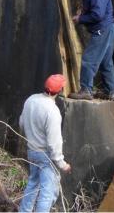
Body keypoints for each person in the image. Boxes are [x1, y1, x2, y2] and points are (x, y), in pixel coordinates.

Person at [19, 74, 72, 212]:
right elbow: (54, 142)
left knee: (32, 185)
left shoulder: (31, 100)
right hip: (46, 156)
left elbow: (22, 123)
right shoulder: (52, 111)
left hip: (32, 151)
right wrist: (62, 164)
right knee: (47, 193)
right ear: (59, 91)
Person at [69, 0, 114, 101]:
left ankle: (86, 90)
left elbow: (98, 15)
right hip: (108, 29)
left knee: (88, 59)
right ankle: (109, 92)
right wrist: (83, 12)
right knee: (106, 62)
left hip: (103, 30)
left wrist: (80, 18)